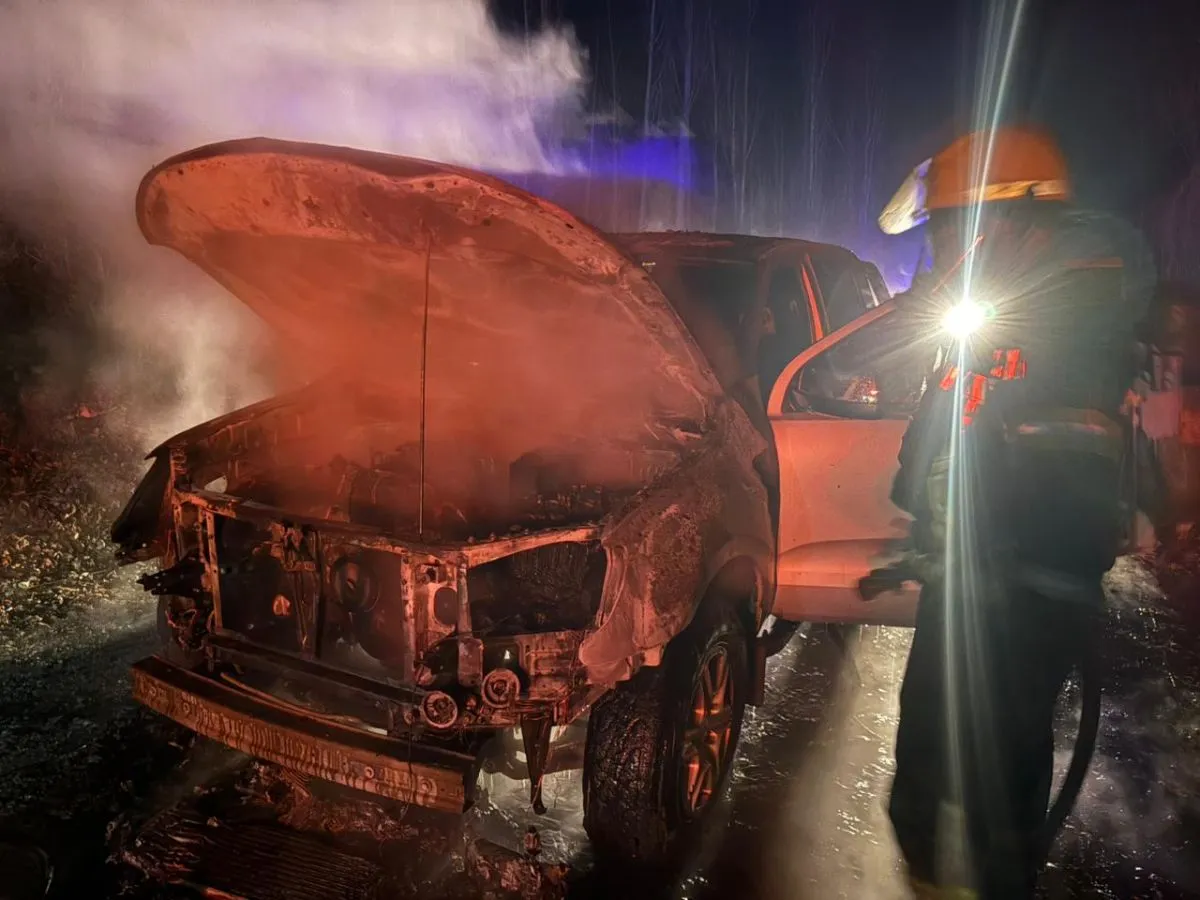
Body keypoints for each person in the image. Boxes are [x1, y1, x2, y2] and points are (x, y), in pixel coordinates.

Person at [870, 126, 1155, 899]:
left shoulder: (1071, 320)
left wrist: (1004, 556)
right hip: (969, 574)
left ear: (1007, 218)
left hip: (1029, 586)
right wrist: (928, 527)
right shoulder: (994, 308)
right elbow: (946, 428)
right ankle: (928, 871)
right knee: (924, 752)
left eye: (948, 228)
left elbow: (1062, 466)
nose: (941, 248)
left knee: (998, 768)